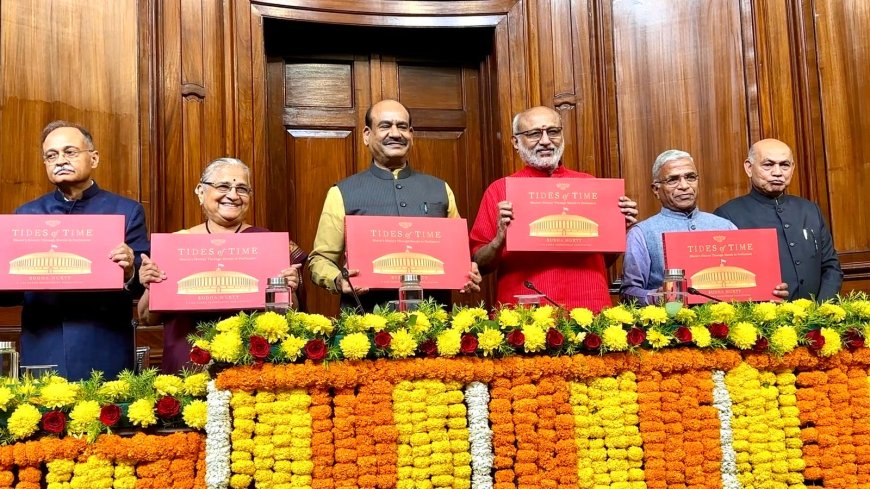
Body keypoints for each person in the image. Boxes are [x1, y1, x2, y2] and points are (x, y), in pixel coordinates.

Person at [0, 121, 149, 381]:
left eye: (70, 152)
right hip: (43, 344)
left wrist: (129, 271)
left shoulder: (126, 211)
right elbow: (9, 293)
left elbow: (143, 286)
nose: (60, 161)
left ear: (94, 158)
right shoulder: (26, 215)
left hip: (104, 343)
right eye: (51, 155)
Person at [307, 99, 481, 312]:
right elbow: (319, 260)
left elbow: (459, 256)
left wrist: (468, 269)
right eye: (385, 126)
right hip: (365, 331)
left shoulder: (441, 189)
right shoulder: (341, 192)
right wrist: (337, 280)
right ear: (367, 135)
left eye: (402, 126)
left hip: (435, 329)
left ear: (411, 135)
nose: (396, 133)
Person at [137, 157, 306, 373]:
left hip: (250, 364)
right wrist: (152, 285)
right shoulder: (175, 245)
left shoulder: (269, 246)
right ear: (200, 191)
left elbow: (291, 317)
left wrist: (288, 290)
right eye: (223, 186)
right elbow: (146, 318)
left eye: (242, 188)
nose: (233, 195)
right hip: (188, 366)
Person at [469, 106, 638, 312]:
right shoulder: (499, 190)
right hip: (524, 313)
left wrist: (619, 230)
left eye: (553, 131)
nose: (546, 140)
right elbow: (480, 263)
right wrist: (498, 241)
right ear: (515, 142)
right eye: (534, 134)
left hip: (589, 307)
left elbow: (605, 261)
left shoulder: (591, 186)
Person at [713, 138, 843, 301]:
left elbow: (831, 268)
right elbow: (725, 279)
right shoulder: (727, 215)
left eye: (784, 165)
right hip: (761, 321)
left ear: (793, 168)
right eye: (768, 165)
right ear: (749, 168)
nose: (777, 172)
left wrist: (821, 310)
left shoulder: (809, 210)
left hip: (816, 317)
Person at [620, 149, 736, 304]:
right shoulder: (641, 233)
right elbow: (628, 292)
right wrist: (656, 297)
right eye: (673, 180)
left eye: (690, 177)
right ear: (656, 190)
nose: (684, 186)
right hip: (671, 324)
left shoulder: (725, 227)